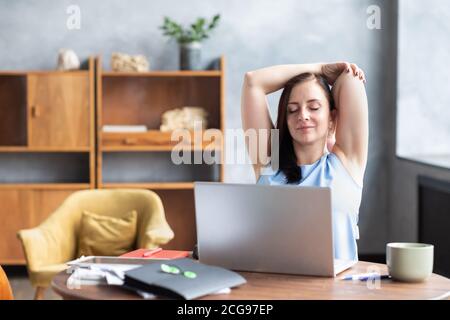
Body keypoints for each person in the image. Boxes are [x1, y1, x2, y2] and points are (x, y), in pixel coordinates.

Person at [241, 62, 368, 261]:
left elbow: (350, 78)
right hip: (274, 288)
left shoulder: (346, 163)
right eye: (292, 110)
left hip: (338, 290)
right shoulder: (268, 163)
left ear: (332, 119)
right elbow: (253, 81)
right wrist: (320, 68)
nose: (303, 115)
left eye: (314, 107)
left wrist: (329, 74)